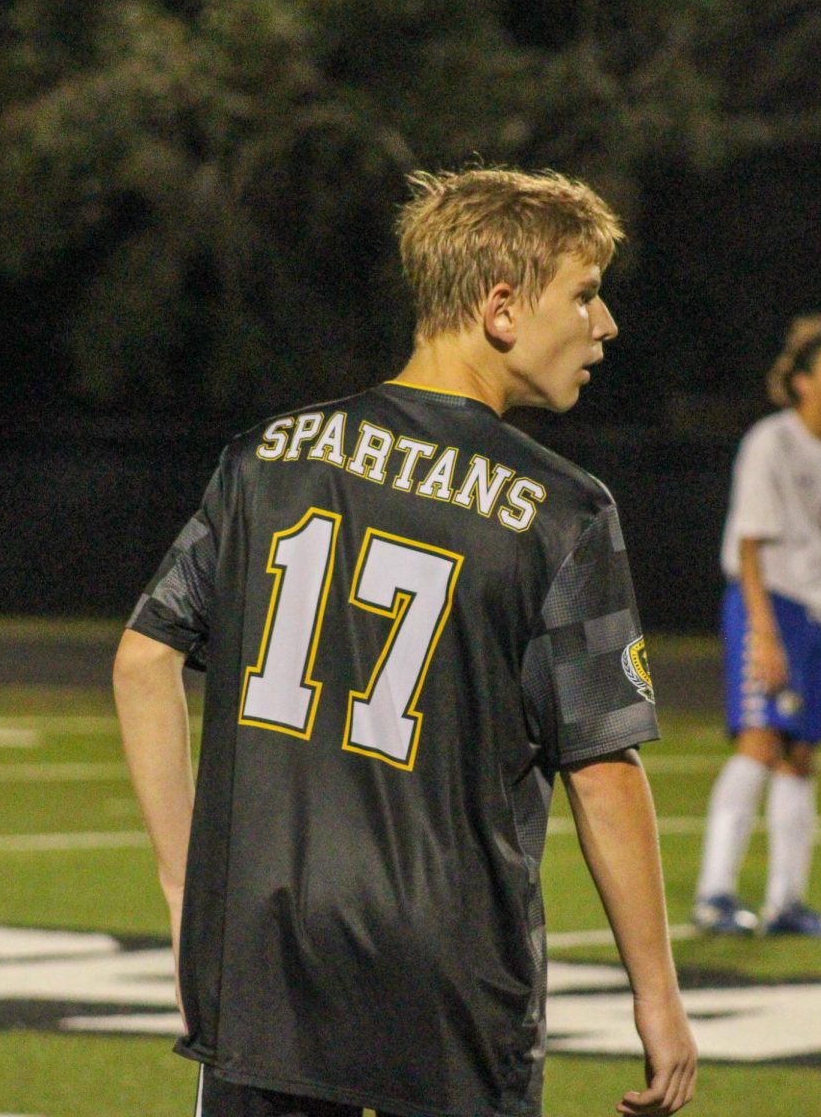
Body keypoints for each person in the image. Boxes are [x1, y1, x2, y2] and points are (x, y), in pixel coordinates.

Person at [114, 166, 697, 1117]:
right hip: (450, 987)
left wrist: (190, 895)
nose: (605, 326)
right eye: (584, 296)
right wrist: (658, 998)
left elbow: (144, 659)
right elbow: (602, 772)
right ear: (502, 307)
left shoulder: (266, 459)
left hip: (265, 968)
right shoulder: (559, 511)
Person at [692, 313, 821, 937]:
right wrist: (763, 635)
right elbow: (748, 544)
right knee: (761, 742)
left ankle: (786, 903)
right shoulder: (771, 442)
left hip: (817, 613)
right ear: (801, 382)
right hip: (766, 603)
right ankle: (714, 894)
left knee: (801, 753)